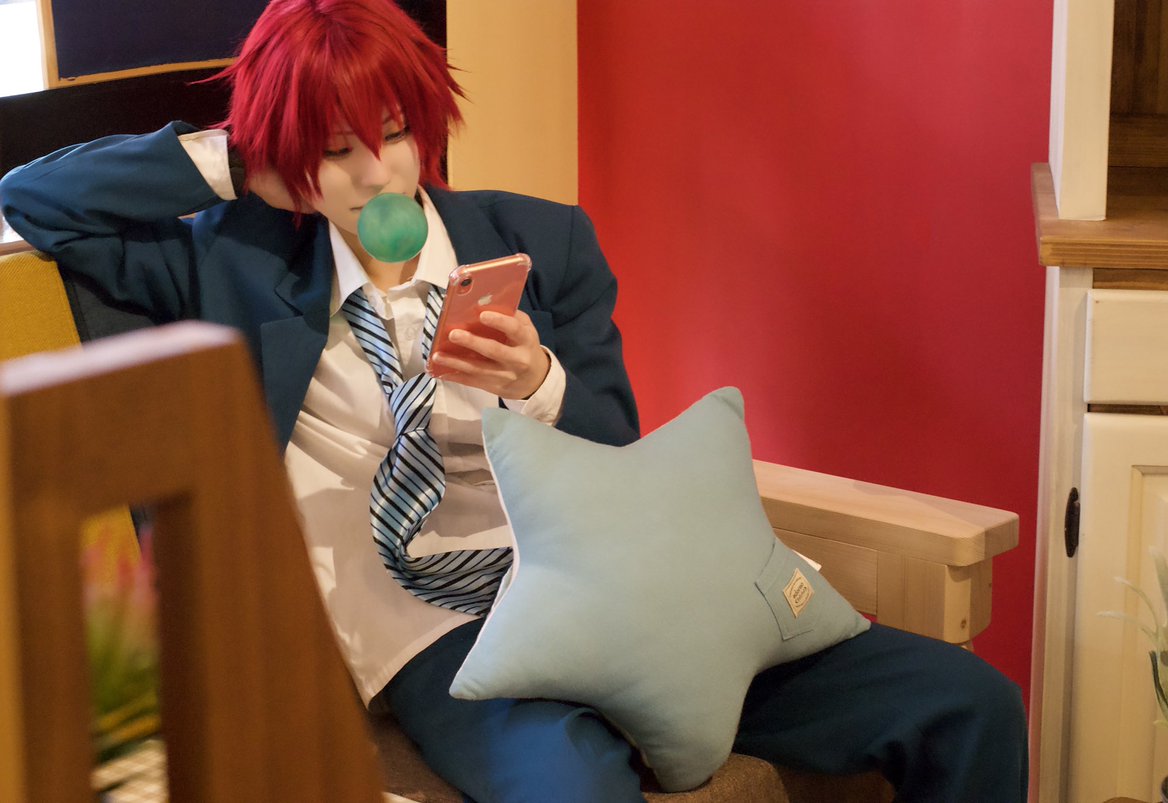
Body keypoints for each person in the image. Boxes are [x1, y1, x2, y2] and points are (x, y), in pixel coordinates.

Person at [0, 0, 1029, 800]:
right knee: (575, 789)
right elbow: (33, 198)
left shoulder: (540, 241)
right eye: (334, 148)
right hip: (442, 628)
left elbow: (618, 444)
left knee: (969, 703)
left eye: (392, 134)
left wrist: (541, 383)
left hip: (621, 575)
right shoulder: (228, 263)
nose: (375, 175)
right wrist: (236, 158)